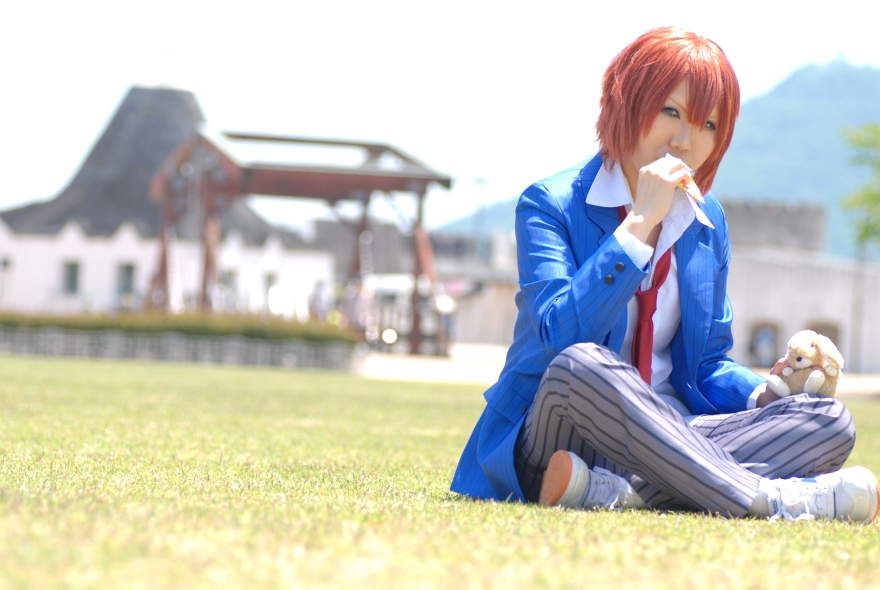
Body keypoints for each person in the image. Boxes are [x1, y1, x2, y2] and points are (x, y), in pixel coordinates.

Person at [450, 27, 879, 522]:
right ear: (626, 101)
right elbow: (556, 337)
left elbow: (707, 364)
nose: (685, 141)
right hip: (566, 430)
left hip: (669, 437)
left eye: (708, 125)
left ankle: (619, 492)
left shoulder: (707, 220)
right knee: (580, 364)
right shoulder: (550, 205)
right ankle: (770, 499)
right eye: (671, 112)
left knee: (828, 419)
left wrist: (765, 394)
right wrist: (637, 226)